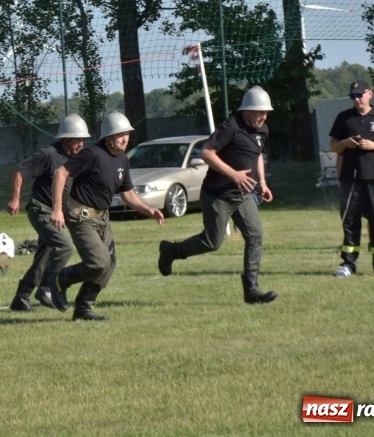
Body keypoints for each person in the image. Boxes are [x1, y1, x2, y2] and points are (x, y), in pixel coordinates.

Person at [157, 86, 278, 304]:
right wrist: (234, 175)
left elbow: (257, 155)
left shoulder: (263, 130)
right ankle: (171, 251)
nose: (263, 116)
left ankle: (251, 289)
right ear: (247, 111)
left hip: (243, 194)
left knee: (256, 234)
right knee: (212, 242)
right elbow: (205, 152)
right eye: (259, 112)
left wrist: (262, 183)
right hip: (217, 195)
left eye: (266, 112)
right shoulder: (231, 126)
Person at [47, 111, 164, 320]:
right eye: (121, 134)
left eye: (127, 134)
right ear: (108, 137)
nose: (126, 138)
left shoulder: (122, 159)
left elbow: (127, 194)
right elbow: (60, 173)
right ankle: (60, 279)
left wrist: (149, 210)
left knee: (110, 263)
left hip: (102, 217)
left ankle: (83, 308)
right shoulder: (92, 154)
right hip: (80, 216)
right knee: (99, 262)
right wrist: (57, 209)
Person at [7, 114, 91, 312]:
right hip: (40, 209)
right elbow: (21, 171)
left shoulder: (75, 158)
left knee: (44, 256)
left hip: (57, 213)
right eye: (77, 140)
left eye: (82, 140)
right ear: (65, 139)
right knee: (64, 247)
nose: (81, 144)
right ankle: (46, 287)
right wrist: (15, 198)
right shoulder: (48, 154)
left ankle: (21, 297)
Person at [329, 81, 374, 277]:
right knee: (350, 220)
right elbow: (334, 146)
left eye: (360, 95)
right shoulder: (344, 118)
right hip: (350, 179)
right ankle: (348, 264)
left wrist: (373, 145)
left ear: (370, 94)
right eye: (353, 96)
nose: (357, 99)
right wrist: (346, 143)